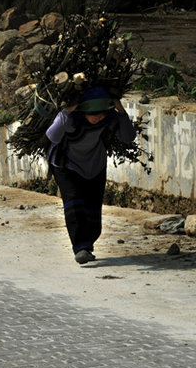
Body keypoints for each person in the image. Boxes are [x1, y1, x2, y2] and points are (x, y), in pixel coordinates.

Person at [45, 85, 136, 264]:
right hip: (66, 165)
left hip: (94, 165)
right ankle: (80, 248)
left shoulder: (108, 120)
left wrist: (120, 111)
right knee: (74, 204)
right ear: (82, 110)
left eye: (102, 113)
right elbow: (52, 136)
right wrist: (66, 112)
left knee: (93, 207)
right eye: (93, 113)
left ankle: (88, 244)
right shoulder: (70, 119)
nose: (98, 117)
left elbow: (128, 137)